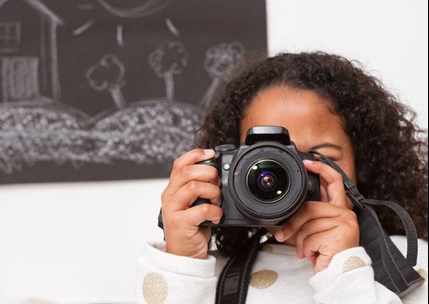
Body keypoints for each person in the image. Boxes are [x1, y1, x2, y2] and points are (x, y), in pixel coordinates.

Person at [136, 52, 428, 303]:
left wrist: (344, 268)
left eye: (318, 157)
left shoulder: (408, 262)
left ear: (362, 164)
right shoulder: (203, 272)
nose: (292, 175)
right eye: (268, 160)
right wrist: (181, 262)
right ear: (227, 170)